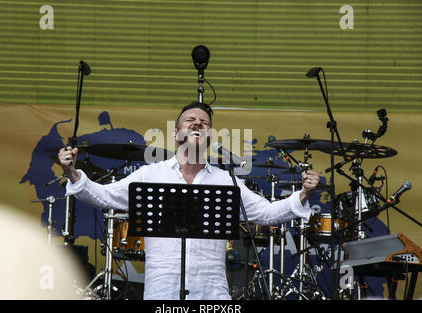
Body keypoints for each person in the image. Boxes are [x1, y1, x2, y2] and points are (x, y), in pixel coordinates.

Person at [58, 101, 320, 300]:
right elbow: (103, 196)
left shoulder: (225, 180)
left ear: (209, 135)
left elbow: (267, 213)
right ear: (175, 133)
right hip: (163, 285)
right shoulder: (152, 174)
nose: (197, 124)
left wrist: (304, 194)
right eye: (190, 120)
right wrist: (72, 173)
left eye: (204, 122)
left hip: (212, 287)